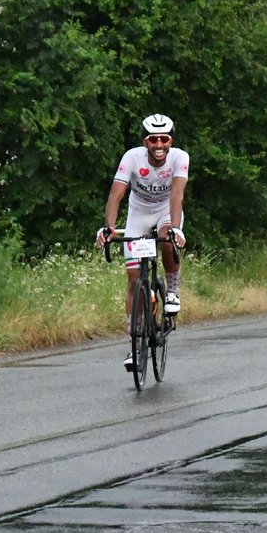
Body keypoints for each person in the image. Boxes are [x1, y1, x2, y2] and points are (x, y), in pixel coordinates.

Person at [97, 113, 188, 373]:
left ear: (171, 141)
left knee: (168, 237)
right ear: (145, 141)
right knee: (134, 280)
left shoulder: (180, 158)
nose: (159, 145)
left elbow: (178, 194)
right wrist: (110, 227)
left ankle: (172, 291)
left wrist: (176, 228)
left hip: (166, 210)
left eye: (164, 139)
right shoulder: (132, 157)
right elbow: (116, 195)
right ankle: (135, 345)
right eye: (153, 139)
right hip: (138, 213)